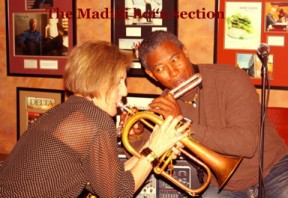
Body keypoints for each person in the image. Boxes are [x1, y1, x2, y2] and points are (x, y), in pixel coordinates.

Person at [0, 41, 190, 197]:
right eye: (119, 82)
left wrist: (153, 145)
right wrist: (154, 152)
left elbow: (108, 180)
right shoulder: (95, 120)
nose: (124, 91)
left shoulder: (69, 109)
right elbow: (118, 193)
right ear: (99, 81)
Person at [137, 30, 288, 197]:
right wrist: (137, 134)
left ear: (185, 52)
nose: (173, 72)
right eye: (160, 69)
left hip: (274, 169)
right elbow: (146, 154)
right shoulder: (163, 106)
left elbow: (246, 144)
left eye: (175, 59)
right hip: (223, 183)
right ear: (151, 75)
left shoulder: (231, 78)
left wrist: (182, 125)